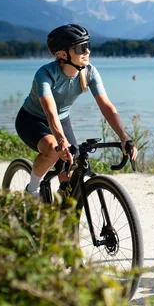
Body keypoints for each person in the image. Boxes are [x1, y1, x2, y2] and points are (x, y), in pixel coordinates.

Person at [15, 24, 137, 199]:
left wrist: (124, 137)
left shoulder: (90, 73)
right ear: (64, 54)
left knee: (71, 178)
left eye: (87, 45)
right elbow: (50, 111)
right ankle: (31, 192)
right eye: (81, 48)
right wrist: (61, 141)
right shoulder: (45, 74)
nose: (87, 51)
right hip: (32, 120)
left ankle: (62, 209)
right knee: (53, 149)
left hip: (62, 120)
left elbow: (106, 106)